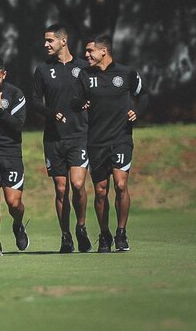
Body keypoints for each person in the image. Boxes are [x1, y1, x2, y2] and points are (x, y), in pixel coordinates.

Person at [72, 34, 148, 252]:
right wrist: (81, 104)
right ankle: (104, 234)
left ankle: (121, 233)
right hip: (96, 141)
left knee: (121, 185)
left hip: (121, 138)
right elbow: (74, 101)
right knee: (101, 190)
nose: (86, 55)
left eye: (90, 51)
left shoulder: (126, 73)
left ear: (103, 51)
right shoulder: (84, 76)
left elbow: (143, 96)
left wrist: (137, 111)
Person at [31, 24, 91, 253]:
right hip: (54, 138)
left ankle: (81, 227)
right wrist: (51, 113)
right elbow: (35, 101)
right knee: (60, 189)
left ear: (63, 41)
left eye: (50, 41)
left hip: (79, 135)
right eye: (45, 41)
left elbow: (94, 95)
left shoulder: (83, 67)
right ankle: (65, 236)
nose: (46, 45)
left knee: (77, 184)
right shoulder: (43, 70)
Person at [0, 57, 29, 256]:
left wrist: (1, 112)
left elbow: (18, 125)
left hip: (10, 153)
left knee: (14, 203)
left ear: (4, 75)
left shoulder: (15, 94)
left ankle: (18, 225)